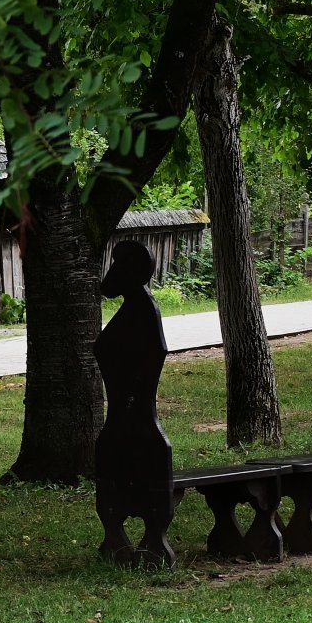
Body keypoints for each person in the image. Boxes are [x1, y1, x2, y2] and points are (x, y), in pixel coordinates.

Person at [93, 240, 175, 566]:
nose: (110, 274)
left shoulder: (142, 310)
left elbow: (152, 354)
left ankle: (152, 540)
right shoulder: (134, 309)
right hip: (120, 419)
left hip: (134, 419)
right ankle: (115, 537)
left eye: (117, 267)